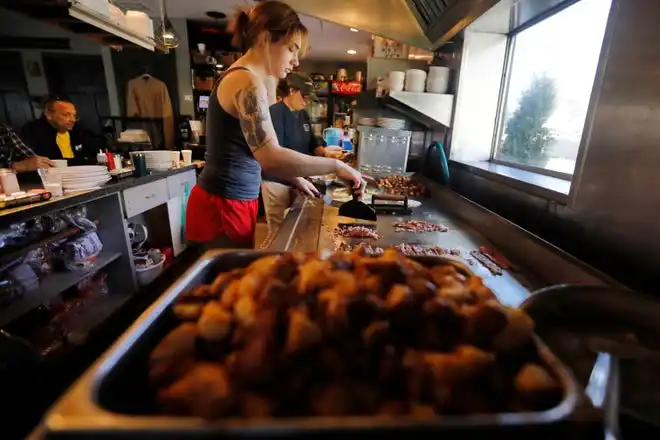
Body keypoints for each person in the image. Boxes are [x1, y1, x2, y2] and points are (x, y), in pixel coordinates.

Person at [186, 0, 364, 249]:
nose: (296, 61)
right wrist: (335, 166)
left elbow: (259, 154)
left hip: (232, 200)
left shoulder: (247, 77)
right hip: (222, 205)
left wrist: (295, 178)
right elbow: (271, 156)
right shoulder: (247, 82)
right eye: (292, 49)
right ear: (266, 38)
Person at [261, 72, 340, 243]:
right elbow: (275, 154)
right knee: (278, 233)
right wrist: (296, 178)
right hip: (277, 182)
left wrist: (328, 154)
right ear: (291, 91)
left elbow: (313, 142)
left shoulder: (302, 114)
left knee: (295, 228)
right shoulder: (275, 113)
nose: (306, 102)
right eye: (304, 96)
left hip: (299, 181)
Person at [20, 97, 95, 165]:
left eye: (74, 116)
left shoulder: (77, 130)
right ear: (49, 114)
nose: (73, 120)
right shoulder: (33, 130)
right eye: (66, 115)